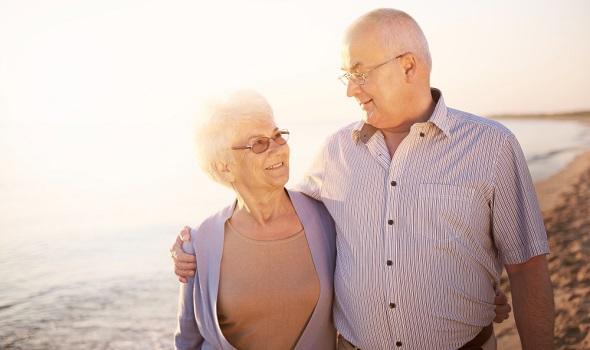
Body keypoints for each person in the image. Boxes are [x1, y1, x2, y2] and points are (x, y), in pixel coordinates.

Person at [173, 8, 549, 350]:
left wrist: (486, 290)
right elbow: (271, 205)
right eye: (346, 76)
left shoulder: (492, 146)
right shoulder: (335, 152)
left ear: (408, 67)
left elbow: (527, 267)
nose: (350, 90)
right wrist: (195, 246)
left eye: (359, 73)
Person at [174, 91, 336, 349]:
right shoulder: (198, 244)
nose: (277, 149)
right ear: (223, 166)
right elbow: (187, 340)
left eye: (277, 135)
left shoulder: (329, 218)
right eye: (258, 143)